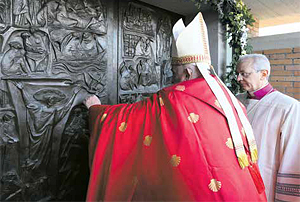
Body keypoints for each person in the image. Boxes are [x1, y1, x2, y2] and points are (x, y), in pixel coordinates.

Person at [83, 12, 267, 201]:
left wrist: (96, 110)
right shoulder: (229, 99)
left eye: (174, 71)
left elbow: (130, 120)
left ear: (187, 73)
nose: (172, 77)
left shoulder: (174, 98)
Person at [236, 54, 300, 202]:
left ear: (263, 74)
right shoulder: (235, 101)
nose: (239, 79)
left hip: (266, 183)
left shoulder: (288, 107)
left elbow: (292, 155)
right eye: (238, 73)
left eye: (244, 74)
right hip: (236, 180)